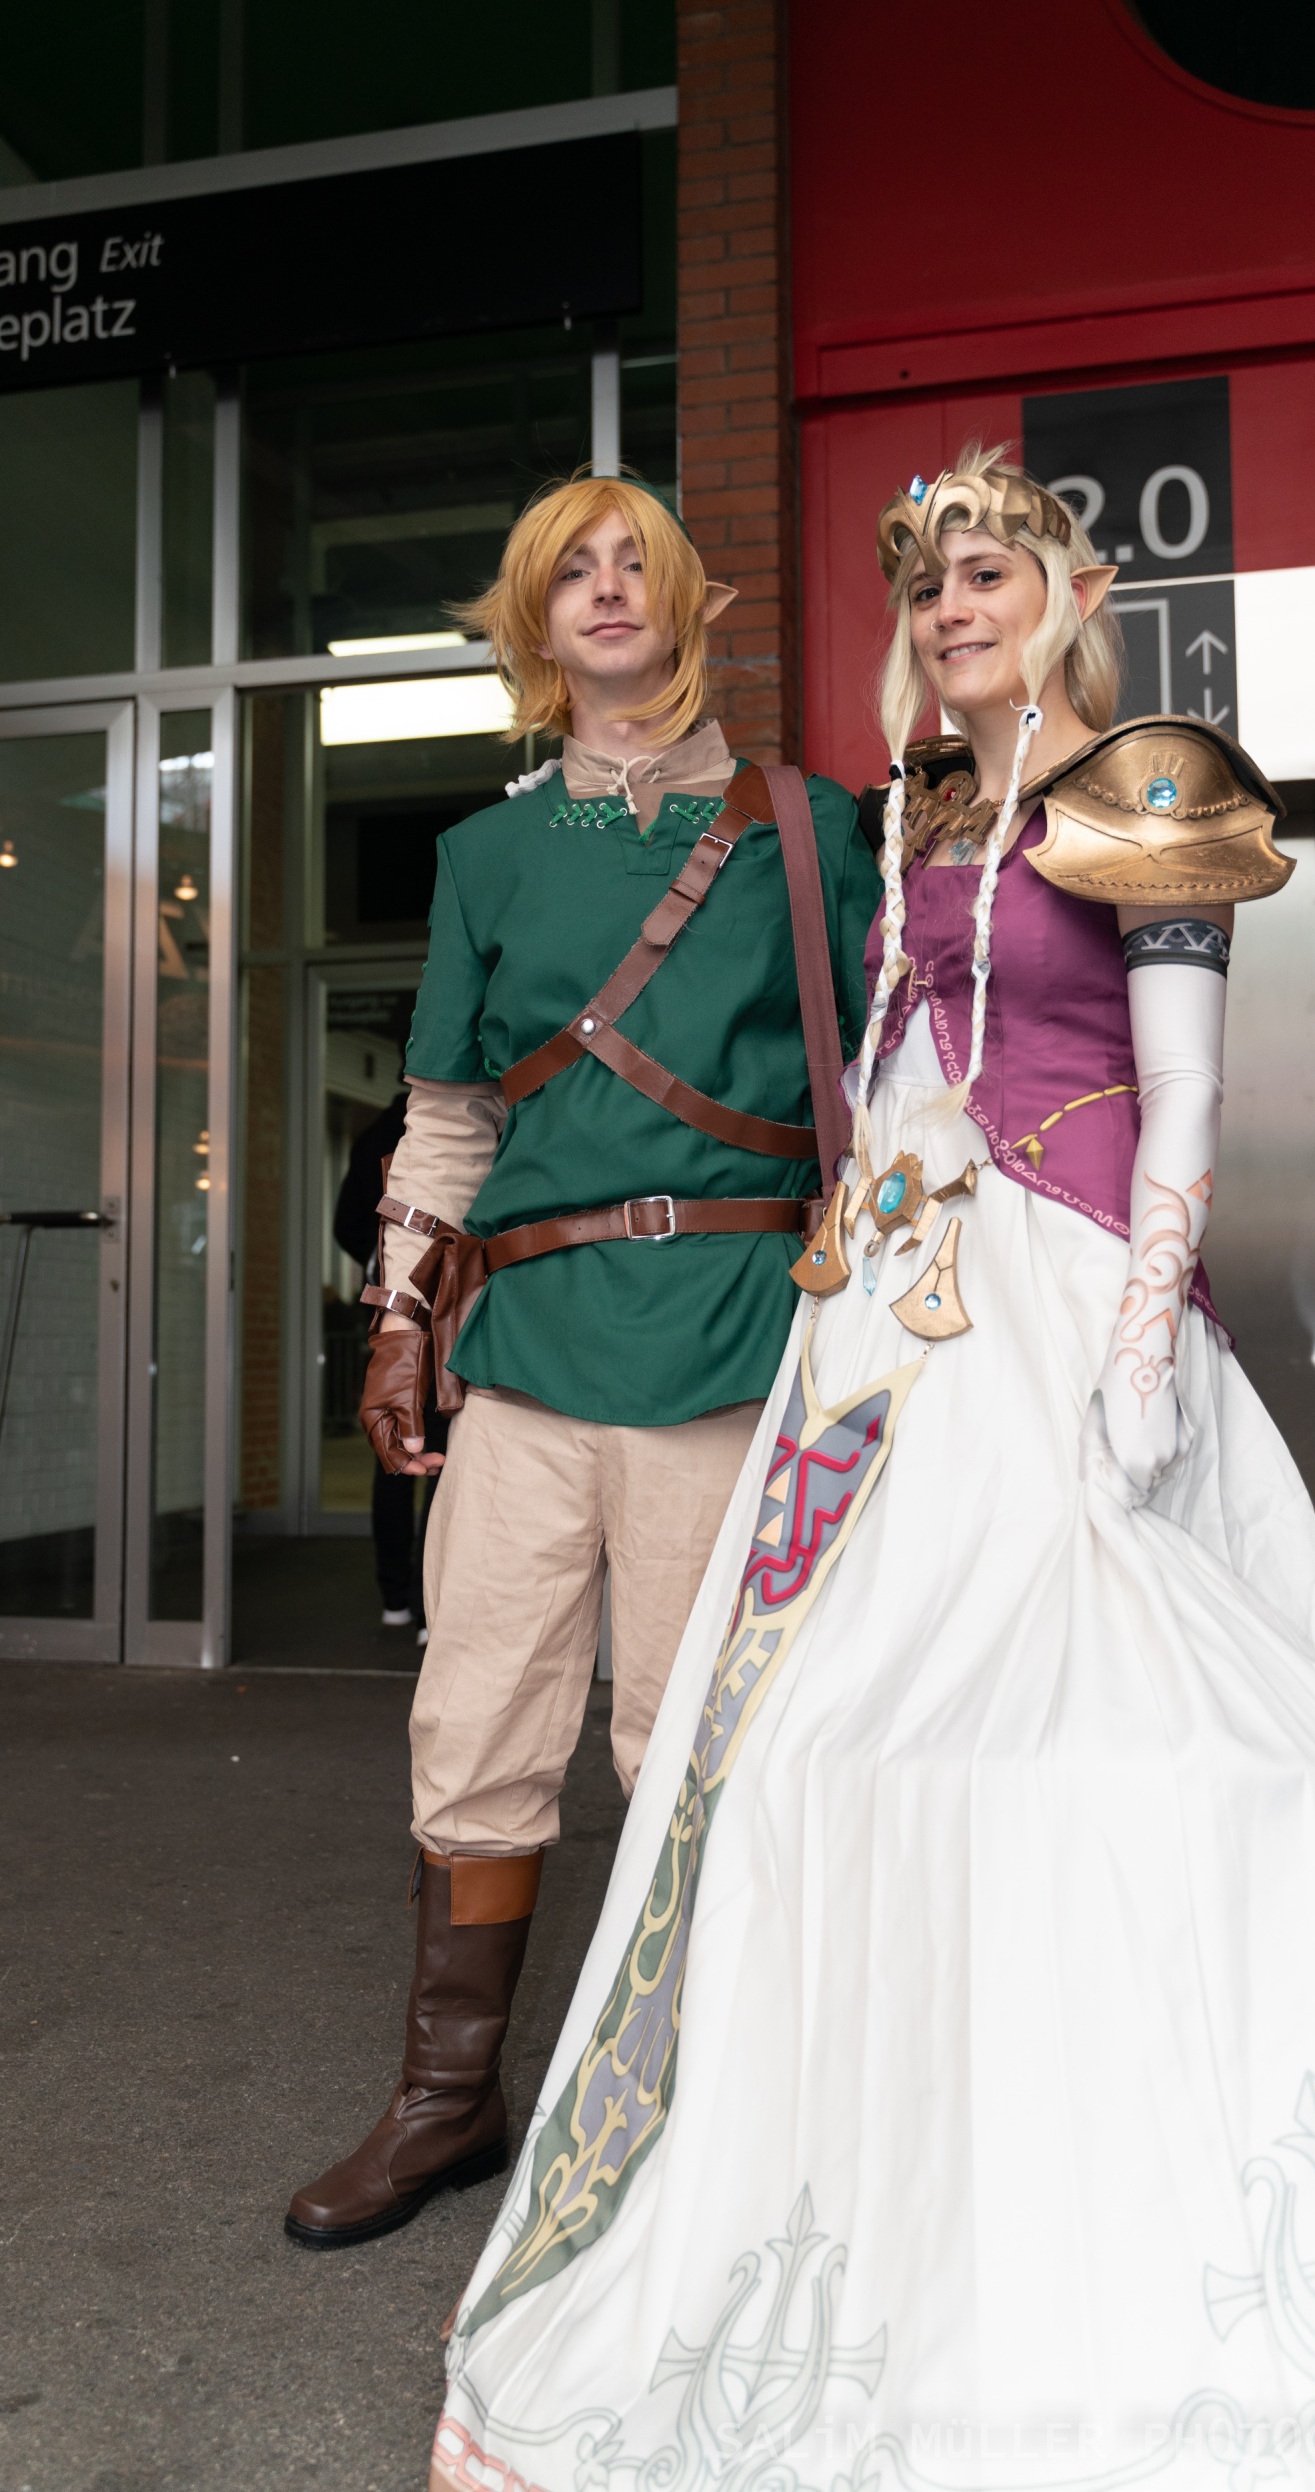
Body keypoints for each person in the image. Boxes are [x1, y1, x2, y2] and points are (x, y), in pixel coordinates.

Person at [429, 449, 1315, 2492]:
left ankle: (1144, 2205)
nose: (951, 607)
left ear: (1064, 592)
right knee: (822, 1749)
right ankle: (873, 2184)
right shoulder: (917, 812)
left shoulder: (1150, 777)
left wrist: (1143, 1335)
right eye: (927, 584)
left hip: (1076, 1286)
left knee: (1170, 1748)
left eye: (987, 573)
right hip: (900, 1318)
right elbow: (895, 1066)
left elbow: (1183, 1092)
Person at [283, 470, 881, 2251]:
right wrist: (399, 1317)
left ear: (685, 603)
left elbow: (892, 1088)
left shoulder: (813, 830)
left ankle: (704, 2111)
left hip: (732, 1339)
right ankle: (446, 2101)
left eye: (636, 564)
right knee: (475, 1718)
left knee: (686, 1740)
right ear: (536, 627)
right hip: (526, 1352)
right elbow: (449, 1119)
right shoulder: (485, 857)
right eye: (571, 574)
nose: (606, 590)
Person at [332, 1083, 446, 1635]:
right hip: (448, 1309)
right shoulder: (460, 1122)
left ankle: (394, 1598)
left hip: (388, 1312)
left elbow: (344, 1225)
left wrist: (381, 1263)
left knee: (395, 1451)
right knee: (443, 1457)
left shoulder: (373, 1137)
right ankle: (430, 1607)